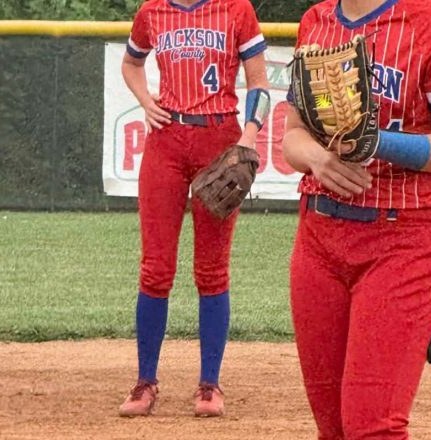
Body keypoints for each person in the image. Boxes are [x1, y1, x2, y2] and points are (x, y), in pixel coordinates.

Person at [282, 0, 431, 437]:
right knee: (332, 427)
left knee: (372, 426)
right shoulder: (316, 21)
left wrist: (377, 142)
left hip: (402, 237)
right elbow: (293, 134)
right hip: (318, 239)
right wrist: (317, 158)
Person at [118, 0, 270, 418]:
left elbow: (259, 83)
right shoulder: (153, 11)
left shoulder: (236, 9)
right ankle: (145, 382)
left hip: (218, 137)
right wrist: (145, 100)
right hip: (166, 139)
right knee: (155, 267)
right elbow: (131, 63)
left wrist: (249, 135)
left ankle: (209, 384)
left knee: (212, 269)